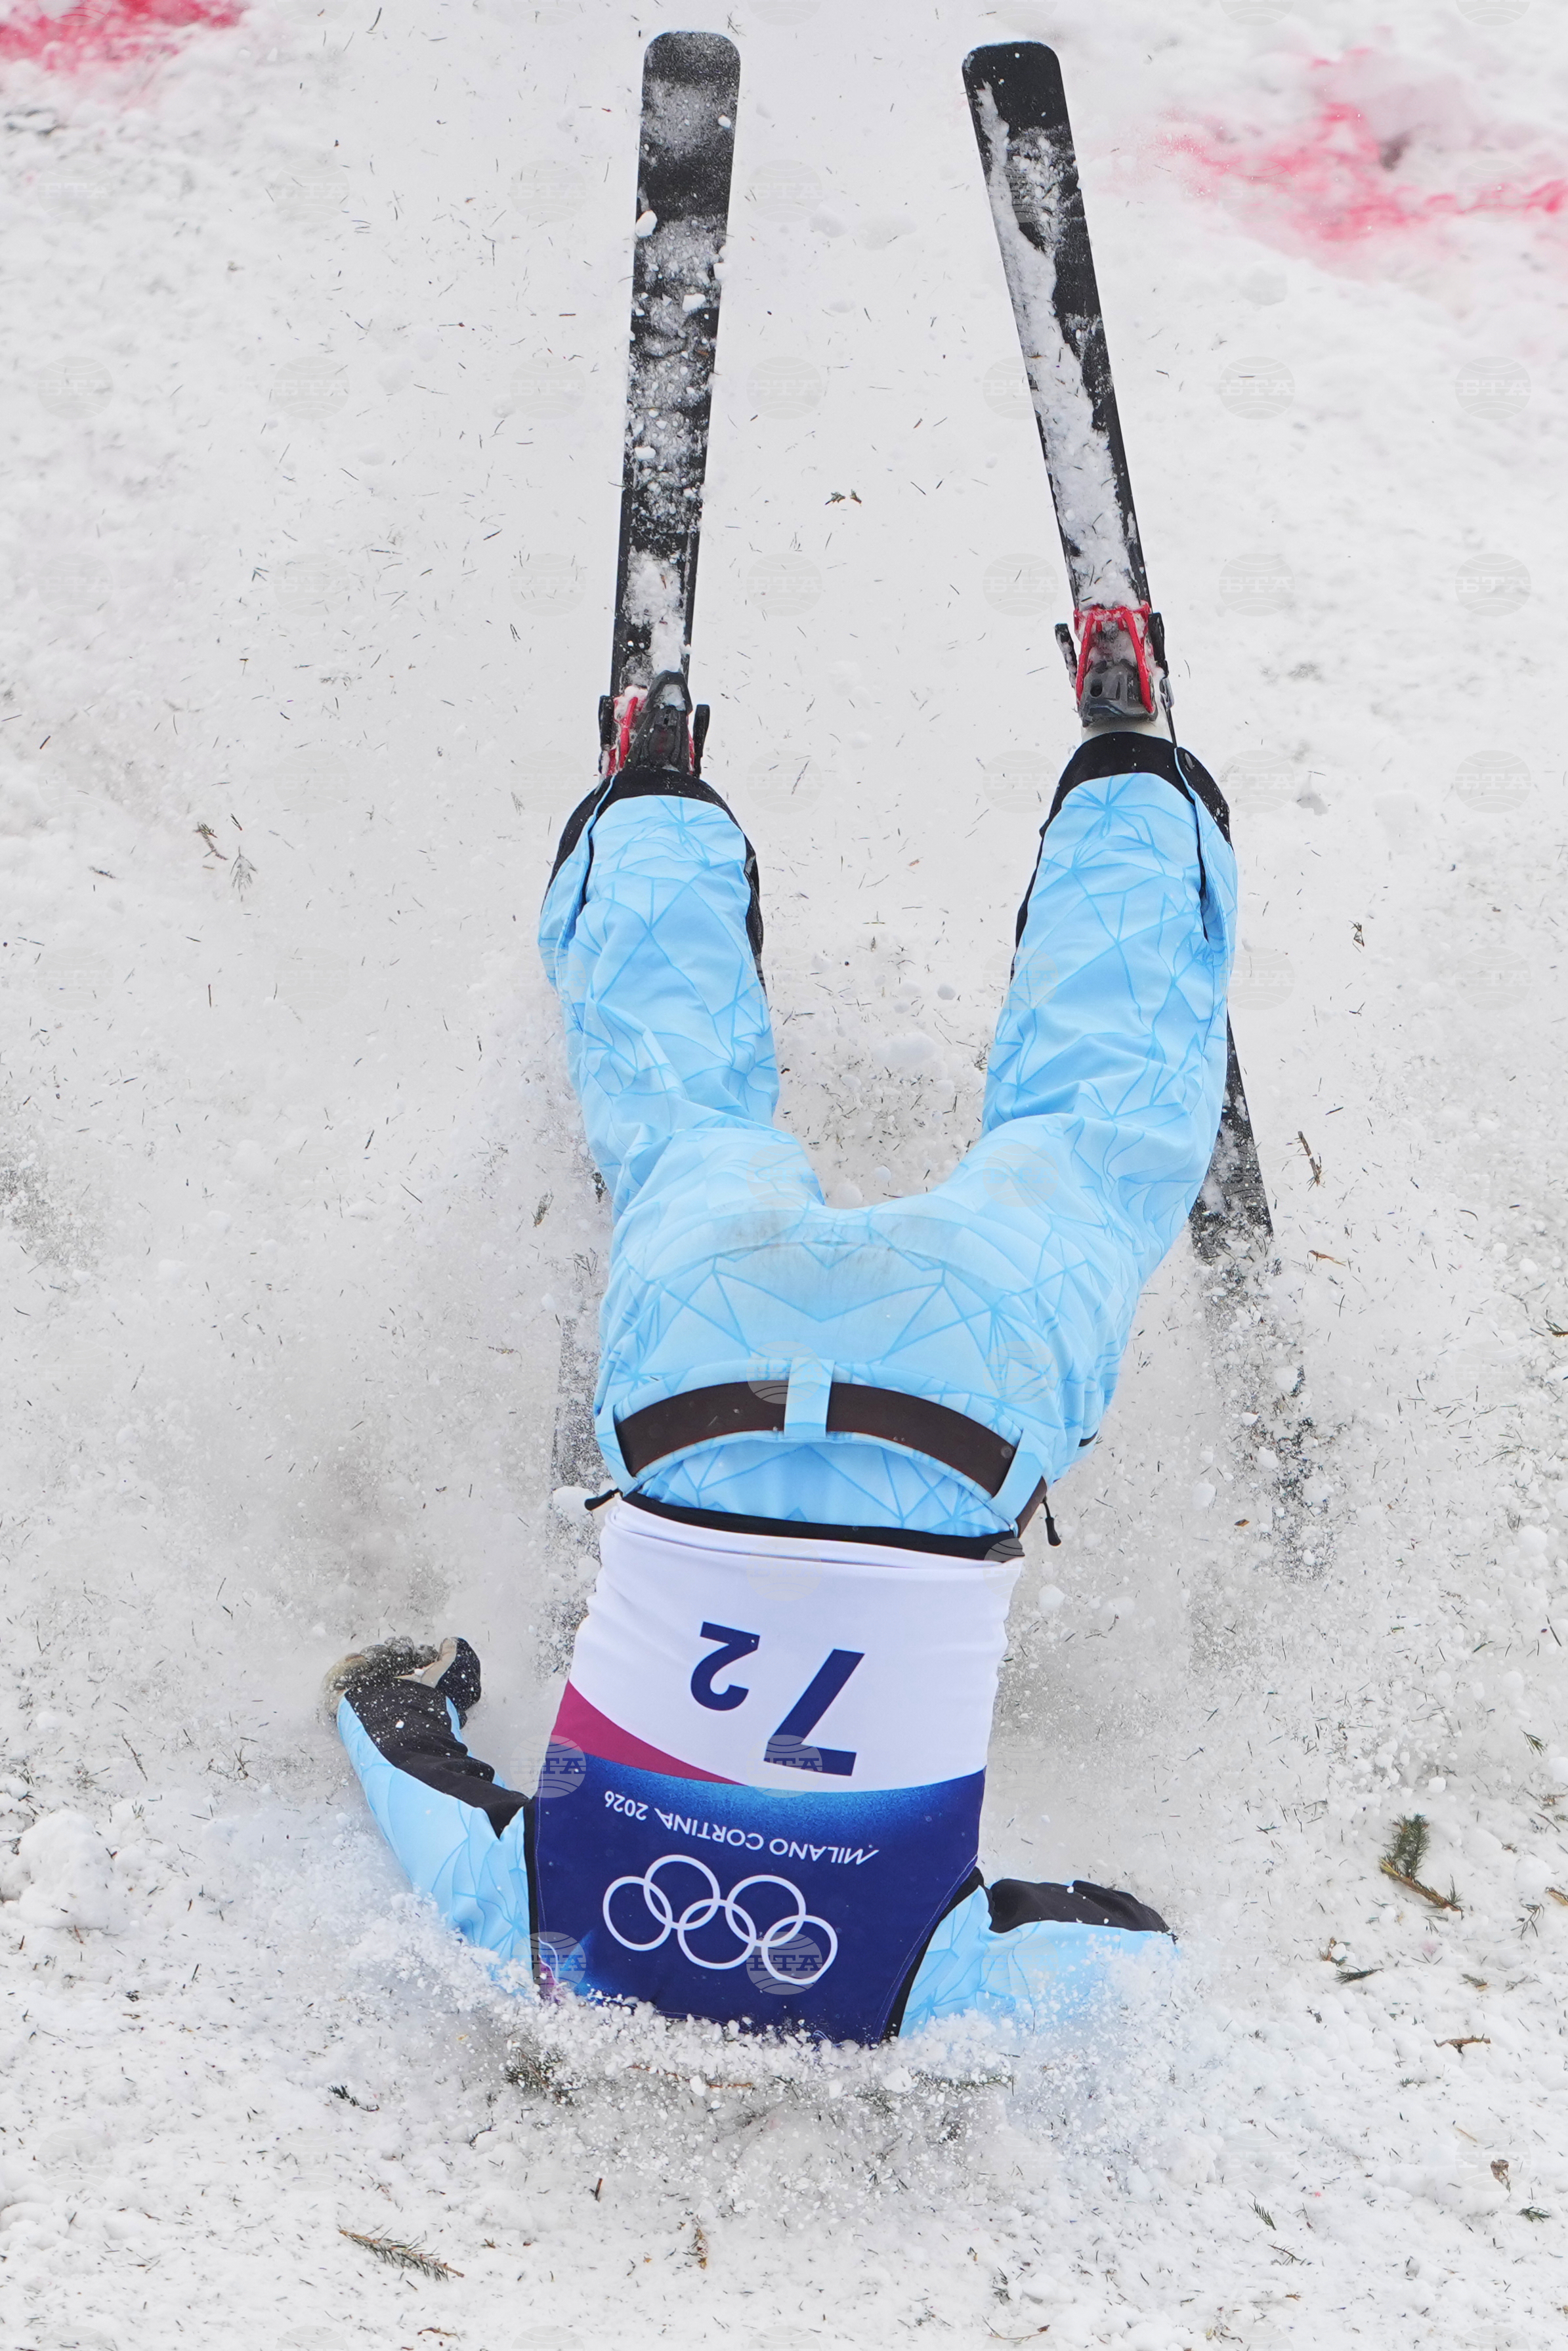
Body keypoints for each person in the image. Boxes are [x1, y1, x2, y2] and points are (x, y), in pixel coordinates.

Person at [331, 674, 1235, 2042]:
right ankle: (650, 806)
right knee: (679, 1125)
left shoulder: (918, 1996)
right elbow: (387, 1729)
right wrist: (423, 1682)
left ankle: (1135, 799)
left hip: (967, 1381)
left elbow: (1125, 1940)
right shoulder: (522, 1913)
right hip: (703, 1358)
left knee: (1091, 1147)